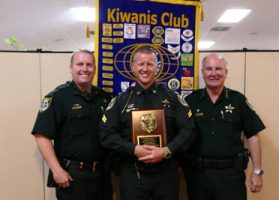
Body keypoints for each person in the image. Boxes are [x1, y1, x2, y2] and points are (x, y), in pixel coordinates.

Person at [99, 45, 195, 200]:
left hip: (166, 173)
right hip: (132, 174)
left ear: (157, 67)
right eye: (141, 64)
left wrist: (166, 151)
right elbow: (105, 134)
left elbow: (189, 129)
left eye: (150, 64)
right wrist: (134, 149)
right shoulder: (120, 101)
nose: (145, 68)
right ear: (133, 67)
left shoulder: (172, 98)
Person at [31, 49, 113, 200]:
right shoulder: (58, 97)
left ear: (94, 68)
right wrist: (56, 170)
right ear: (71, 68)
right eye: (79, 64)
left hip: (102, 176)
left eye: (89, 64)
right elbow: (41, 136)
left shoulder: (104, 98)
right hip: (72, 176)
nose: (84, 69)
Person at [183, 53, 266, 200]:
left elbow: (253, 135)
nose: (214, 73)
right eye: (209, 69)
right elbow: (181, 135)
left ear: (226, 72)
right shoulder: (191, 101)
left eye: (218, 69)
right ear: (202, 73)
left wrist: (257, 171)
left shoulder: (238, 100)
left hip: (231, 176)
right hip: (198, 177)